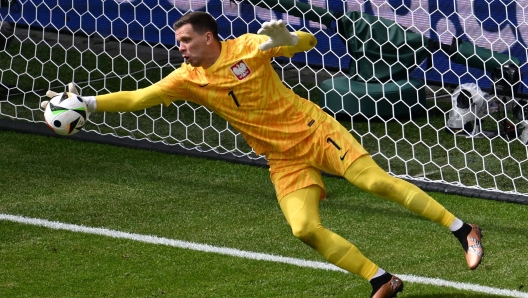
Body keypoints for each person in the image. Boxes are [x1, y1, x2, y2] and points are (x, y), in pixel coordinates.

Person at [42, 11, 483, 298]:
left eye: (185, 40)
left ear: (208, 37)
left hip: (313, 132)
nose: (179, 47)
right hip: (282, 159)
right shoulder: (187, 78)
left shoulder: (249, 48)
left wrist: (290, 39)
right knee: (303, 228)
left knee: (374, 182)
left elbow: (306, 44)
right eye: (177, 41)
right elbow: (140, 99)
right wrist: (91, 105)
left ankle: (462, 229)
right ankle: (382, 279)